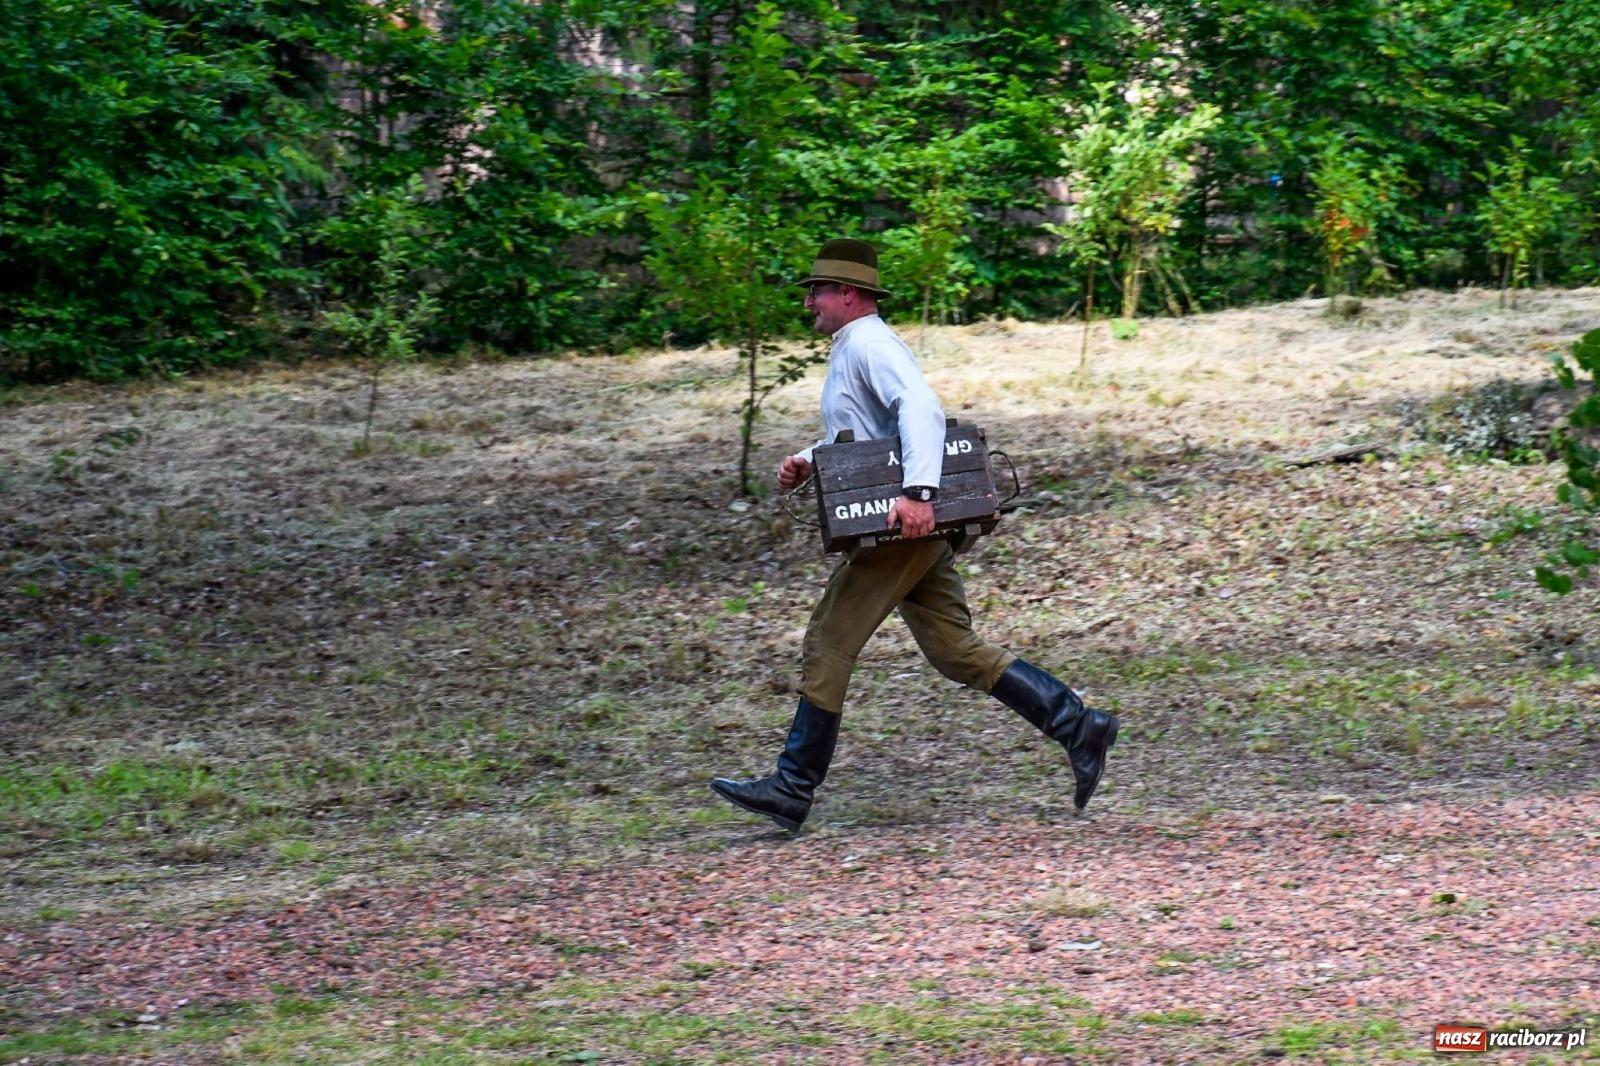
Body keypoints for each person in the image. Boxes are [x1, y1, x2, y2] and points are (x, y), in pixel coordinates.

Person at [710, 237, 1120, 832]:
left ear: (848, 293)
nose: (809, 304)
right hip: (909, 524)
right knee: (955, 649)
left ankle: (793, 787)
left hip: (901, 525)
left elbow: (920, 409)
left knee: (829, 640)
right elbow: (867, 437)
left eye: (817, 291)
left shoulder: (870, 343)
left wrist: (918, 495)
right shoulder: (854, 343)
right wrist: (808, 459)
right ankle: (1079, 726)